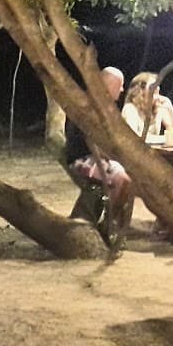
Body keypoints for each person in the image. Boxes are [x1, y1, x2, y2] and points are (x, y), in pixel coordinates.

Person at [65, 67, 132, 231]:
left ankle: (111, 222)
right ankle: (107, 224)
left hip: (101, 156)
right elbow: (93, 144)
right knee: (123, 180)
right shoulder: (90, 106)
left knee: (133, 180)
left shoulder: (105, 106)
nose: (122, 90)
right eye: (120, 85)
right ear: (108, 85)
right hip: (83, 158)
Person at [122, 72, 173, 141]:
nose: (157, 88)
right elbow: (134, 137)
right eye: (153, 85)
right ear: (140, 91)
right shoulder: (130, 109)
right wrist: (164, 138)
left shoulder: (158, 108)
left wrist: (170, 108)